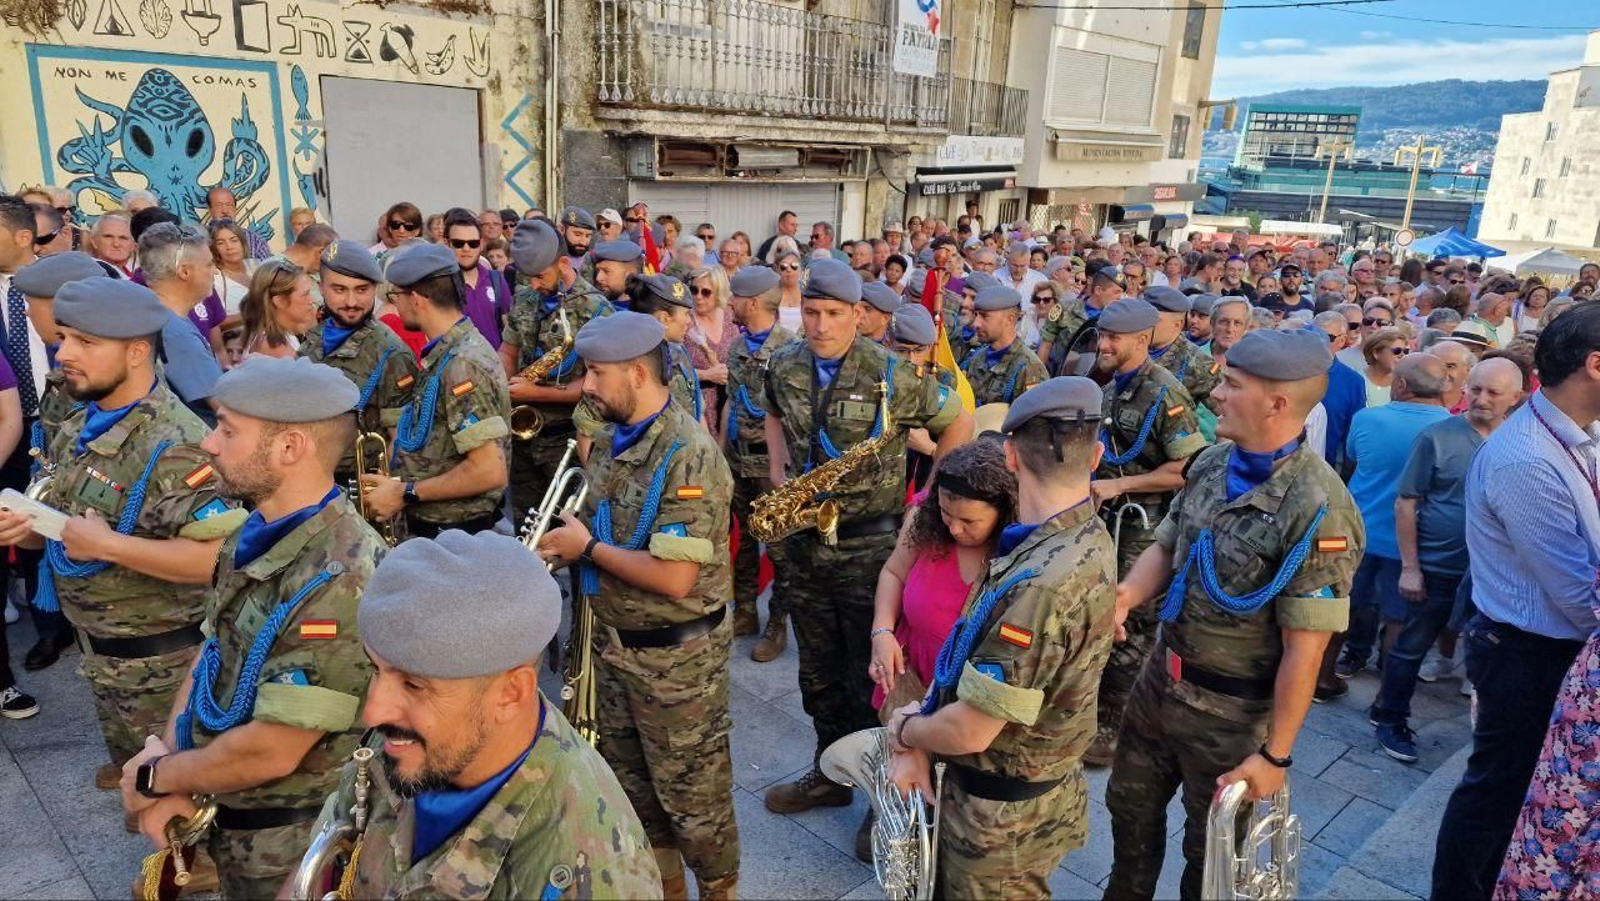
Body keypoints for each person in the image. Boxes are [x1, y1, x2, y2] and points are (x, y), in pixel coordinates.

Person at [1106, 329, 1364, 900]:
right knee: (1129, 820)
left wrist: (1275, 755)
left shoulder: (1319, 510)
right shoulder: (1213, 461)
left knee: (1214, 862)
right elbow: (1168, 544)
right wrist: (1125, 595)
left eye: (1231, 384)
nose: (1215, 394)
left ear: (1277, 403)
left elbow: (1306, 649)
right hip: (1158, 687)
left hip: (1234, 718)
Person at [119, 357, 382, 899]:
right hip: (231, 812)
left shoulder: (343, 576)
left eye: (228, 429)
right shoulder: (255, 531)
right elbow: (213, 649)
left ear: (289, 448)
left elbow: (273, 749)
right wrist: (167, 754)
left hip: (290, 842)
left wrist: (157, 778)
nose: (210, 444)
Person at [307, 529, 663, 899]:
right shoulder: (407, 745)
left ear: (510, 693)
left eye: (414, 685)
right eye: (376, 670)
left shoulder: (597, 873)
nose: (374, 712)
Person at [0, 277, 244, 814]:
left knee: (177, 787)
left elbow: (218, 559)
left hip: (162, 661)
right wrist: (37, 521)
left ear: (137, 352)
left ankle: (191, 861)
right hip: (107, 651)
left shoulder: (176, 445)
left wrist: (108, 546)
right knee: (138, 770)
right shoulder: (87, 418)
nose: (64, 354)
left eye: (85, 343)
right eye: (64, 338)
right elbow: (80, 507)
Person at [759, 258, 971, 852]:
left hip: (868, 544)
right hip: (805, 541)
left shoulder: (889, 371)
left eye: (834, 314)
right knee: (819, 672)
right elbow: (774, 411)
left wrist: (927, 499)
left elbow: (958, 422)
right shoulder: (785, 361)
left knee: (877, 676)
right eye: (812, 311)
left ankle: (887, 794)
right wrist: (777, 472)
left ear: (859, 315)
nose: (820, 324)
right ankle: (831, 771)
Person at [883, 376, 1114, 899]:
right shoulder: (1084, 532)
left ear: (1009, 456)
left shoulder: (1039, 584)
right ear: (1095, 455)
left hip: (997, 822)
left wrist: (906, 731)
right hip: (1031, 796)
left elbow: (969, 732)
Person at [537, 311, 740, 899]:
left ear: (636, 373)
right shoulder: (611, 436)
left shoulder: (689, 454)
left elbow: (676, 578)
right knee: (635, 794)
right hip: (615, 648)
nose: (587, 387)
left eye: (597, 374)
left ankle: (720, 890)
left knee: (695, 802)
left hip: (676, 663)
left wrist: (590, 548)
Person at [1432, 305, 1600, 900]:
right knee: (1499, 789)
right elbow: (1580, 596)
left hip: (1552, 647)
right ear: (1595, 365)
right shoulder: (1525, 457)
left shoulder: (1574, 437)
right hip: (1529, 653)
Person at [1371, 358, 1524, 760]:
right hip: (1436, 568)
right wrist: (1410, 568)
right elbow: (1406, 503)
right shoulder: (1437, 437)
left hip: (1489, 573)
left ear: (1515, 398)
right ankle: (1390, 718)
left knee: (1484, 653)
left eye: (1493, 393)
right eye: (1475, 389)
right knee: (1410, 646)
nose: (1481, 399)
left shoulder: (1518, 442)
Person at [1087, 298, 1207, 766]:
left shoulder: (1165, 393)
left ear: (1142, 340)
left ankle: (1115, 724)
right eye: (1103, 336)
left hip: (1144, 523)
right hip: (1108, 516)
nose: (1105, 344)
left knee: (1133, 624)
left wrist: (1124, 482)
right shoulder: (1114, 387)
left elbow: (1186, 468)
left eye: (1114, 338)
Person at [1318, 355, 1451, 701]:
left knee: (1340, 604)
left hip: (1354, 532)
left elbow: (1352, 459)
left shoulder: (1368, 418)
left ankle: (1324, 675)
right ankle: (1385, 695)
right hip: (1410, 543)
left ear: (1402, 385)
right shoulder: (1450, 429)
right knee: (1398, 619)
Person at [360, 244, 510, 538]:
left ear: (416, 299)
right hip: (444, 528)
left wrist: (405, 492)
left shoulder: (461, 364)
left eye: (396, 296)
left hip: (453, 533)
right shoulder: (451, 351)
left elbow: (488, 470)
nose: (395, 305)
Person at [869, 439, 1016, 719]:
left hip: (969, 698)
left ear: (1003, 514)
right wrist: (882, 632)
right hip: (912, 676)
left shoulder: (1019, 550)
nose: (955, 529)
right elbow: (894, 572)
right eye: (946, 513)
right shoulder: (925, 518)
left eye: (969, 521)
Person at [500, 219, 612, 519]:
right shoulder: (525, 296)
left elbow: (597, 385)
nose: (533, 285)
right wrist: (502, 386)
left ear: (563, 263)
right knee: (525, 522)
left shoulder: (597, 309)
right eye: (528, 277)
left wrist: (533, 392)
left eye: (539, 276)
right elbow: (508, 351)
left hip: (566, 438)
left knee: (568, 527)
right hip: (523, 436)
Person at [298, 241, 420, 490]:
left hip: (362, 488)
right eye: (339, 289)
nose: (351, 301)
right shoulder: (312, 342)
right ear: (321, 288)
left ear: (375, 289)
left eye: (362, 290)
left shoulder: (390, 352)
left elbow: (402, 442)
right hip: (310, 480)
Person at [722, 267, 798, 661]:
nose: (728, 303)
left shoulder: (790, 348)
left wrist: (785, 469)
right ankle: (746, 612)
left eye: (734, 297)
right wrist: (721, 450)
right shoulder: (737, 348)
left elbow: (794, 415)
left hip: (772, 466)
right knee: (745, 541)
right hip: (738, 460)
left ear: (752, 303)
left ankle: (777, 625)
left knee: (781, 549)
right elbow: (733, 402)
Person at [960, 286, 1048, 407]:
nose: (976, 323)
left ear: (1009, 319)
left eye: (985, 316)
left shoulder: (1029, 368)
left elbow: (1034, 420)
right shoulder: (977, 357)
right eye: (976, 315)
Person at [1145, 287, 1221, 416]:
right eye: (1145, 317)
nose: (1147, 323)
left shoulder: (1198, 362)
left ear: (1178, 324)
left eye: (1156, 319)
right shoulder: (1134, 346)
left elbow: (1227, 411)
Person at [445, 208, 510, 349]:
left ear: (480, 244)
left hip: (496, 365)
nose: (466, 248)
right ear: (447, 244)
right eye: (458, 243)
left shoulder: (496, 280)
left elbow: (508, 327)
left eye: (472, 243)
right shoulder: (440, 285)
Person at [687, 267, 736, 436]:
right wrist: (706, 375)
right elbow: (673, 370)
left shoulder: (731, 319)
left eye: (706, 292)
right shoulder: (684, 321)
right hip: (697, 407)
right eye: (694, 290)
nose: (698, 297)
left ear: (719, 293)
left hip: (728, 405)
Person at [239, 259, 317, 358]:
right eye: (305, 294)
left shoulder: (279, 335)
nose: (312, 300)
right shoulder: (276, 348)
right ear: (280, 302)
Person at [209, 221, 257, 318]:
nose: (229, 247)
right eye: (221, 243)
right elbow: (214, 323)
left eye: (234, 240)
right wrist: (254, 314)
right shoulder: (216, 278)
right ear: (214, 248)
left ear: (242, 243)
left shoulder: (254, 267)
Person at [205, 187, 269, 259]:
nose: (225, 211)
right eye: (219, 205)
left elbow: (267, 269)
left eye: (229, 205)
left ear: (235, 209)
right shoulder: (201, 239)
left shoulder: (255, 240)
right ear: (209, 209)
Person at [1359, 326, 1407, 408]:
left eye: (1405, 351)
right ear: (1376, 353)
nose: (1402, 355)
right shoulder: (1356, 380)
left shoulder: (1404, 384)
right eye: (1397, 351)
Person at [88, 211, 136, 278]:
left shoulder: (141, 282)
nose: (116, 244)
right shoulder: (83, 274)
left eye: (123, 238)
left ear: (133, 245)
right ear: (94, 242)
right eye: (108, 236)